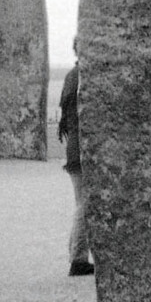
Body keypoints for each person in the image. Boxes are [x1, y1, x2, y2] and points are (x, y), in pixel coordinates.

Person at [58, 37, 92, 276]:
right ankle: (78, 259)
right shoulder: (80, 76)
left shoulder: (72, 75)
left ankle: (77, 255)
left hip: (75, 151)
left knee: (82, 203)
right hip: (81, 152)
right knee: (84, 205)